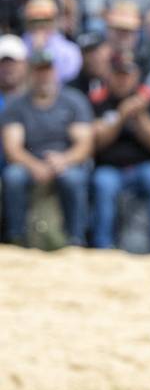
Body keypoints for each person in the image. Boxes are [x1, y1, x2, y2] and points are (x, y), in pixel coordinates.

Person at [1, 48, 93, 246]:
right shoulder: (16, 104)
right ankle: (16, 236)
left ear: (56, 72)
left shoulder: (73, 101)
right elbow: (12, 148)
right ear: (30, 73)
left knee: (73, 178)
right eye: (38, 71)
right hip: (29, 162)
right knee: (13, 177)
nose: (43, 76)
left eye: (47, 70)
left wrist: (63, 160)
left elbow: (85, 144)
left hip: (65, 161)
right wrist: (35, 165)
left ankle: (76, 238)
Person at [87, 53, 150, 252]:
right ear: (110, 75)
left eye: (127, 74)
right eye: (118, 74)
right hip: (109, 168)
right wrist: (121, 116)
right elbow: (97, 142)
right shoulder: (99, 99)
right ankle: (103, 246)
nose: (123, 79)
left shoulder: (148, 100)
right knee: (103, 184)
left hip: (144, 166)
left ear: (136, 76)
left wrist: (141, 117)